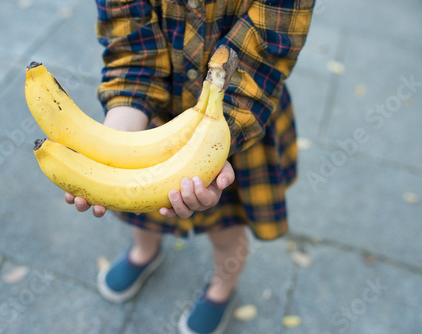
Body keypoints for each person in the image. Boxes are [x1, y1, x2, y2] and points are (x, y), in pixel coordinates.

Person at [65, 0, 314, 332]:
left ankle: (222, 288)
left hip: (238, 123)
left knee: (227, 230)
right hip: (156, 122)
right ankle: (144, 251)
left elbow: (264, 53)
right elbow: (131, 47)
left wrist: (211, 146)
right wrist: (121, 130)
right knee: (141, 205)